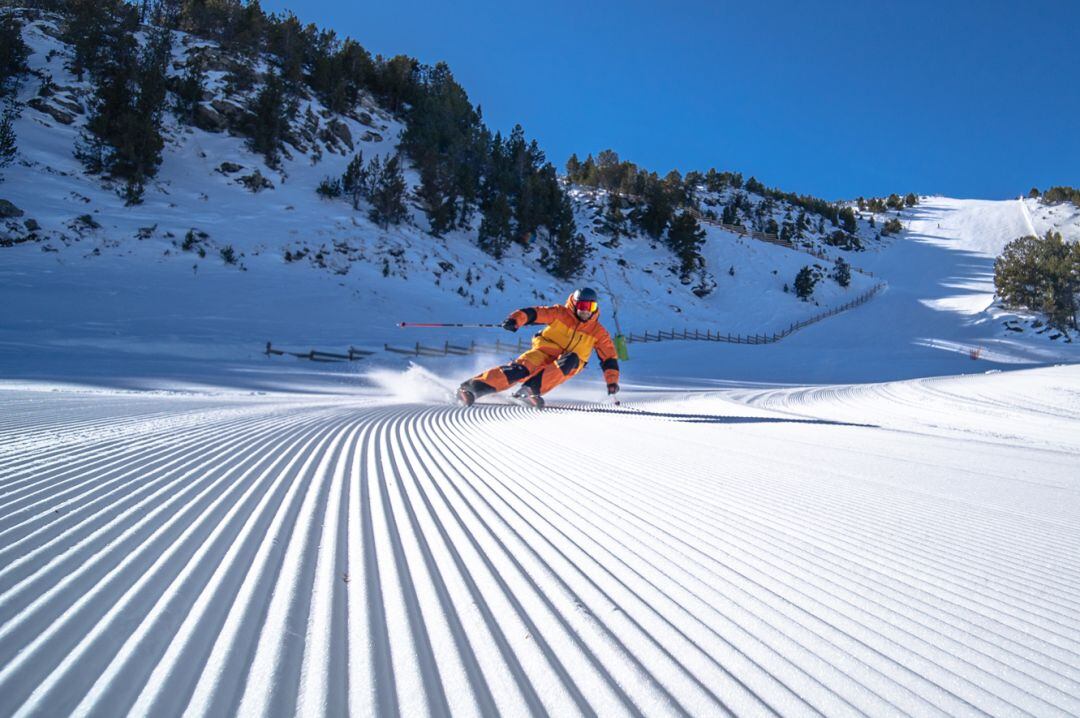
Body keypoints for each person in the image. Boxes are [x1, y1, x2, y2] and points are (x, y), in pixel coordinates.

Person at [457, 287, 620, 408]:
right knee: (519, 370)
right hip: (543, 352)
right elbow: (535, 313)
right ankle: (471, 389)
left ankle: (528, 392)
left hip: (569, 364)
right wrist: (516, 320)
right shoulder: (560, 313)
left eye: (591, 307)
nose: (586, 311)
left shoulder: (598, 332)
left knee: (572, 358)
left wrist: (612, 382)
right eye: (583, 306)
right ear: (575, 304)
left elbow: (609, 359)